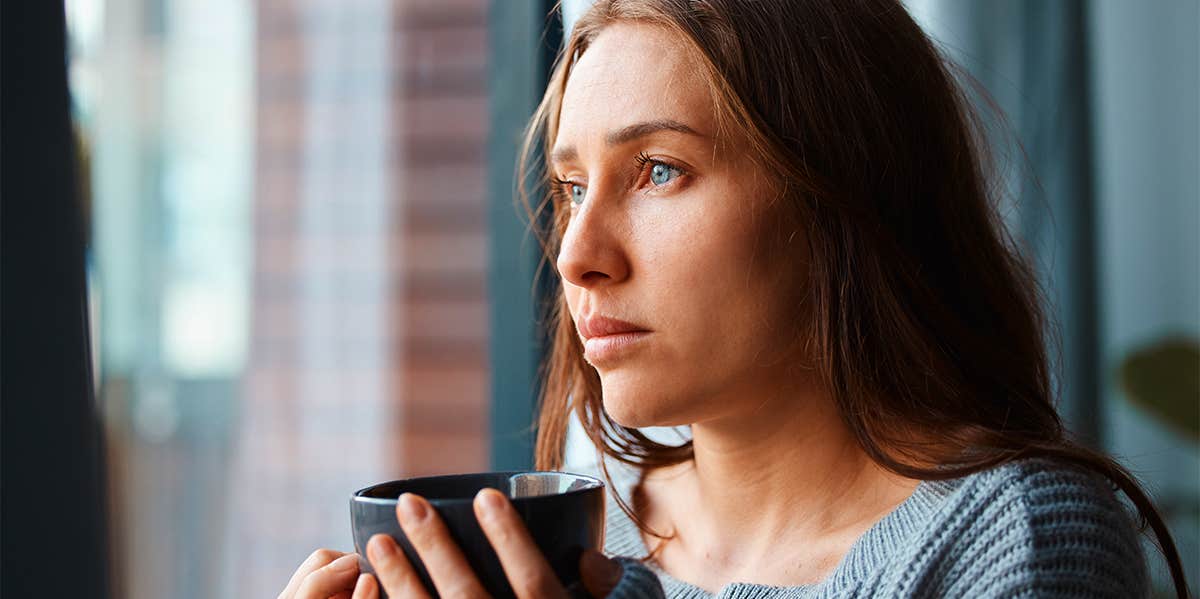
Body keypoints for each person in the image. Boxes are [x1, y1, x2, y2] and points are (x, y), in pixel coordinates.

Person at [279, 1, 1191, 598]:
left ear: (839, 195)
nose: (576, 256)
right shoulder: (590, 536)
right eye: (569, 188)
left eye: (660, 170)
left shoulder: (1015, 543)